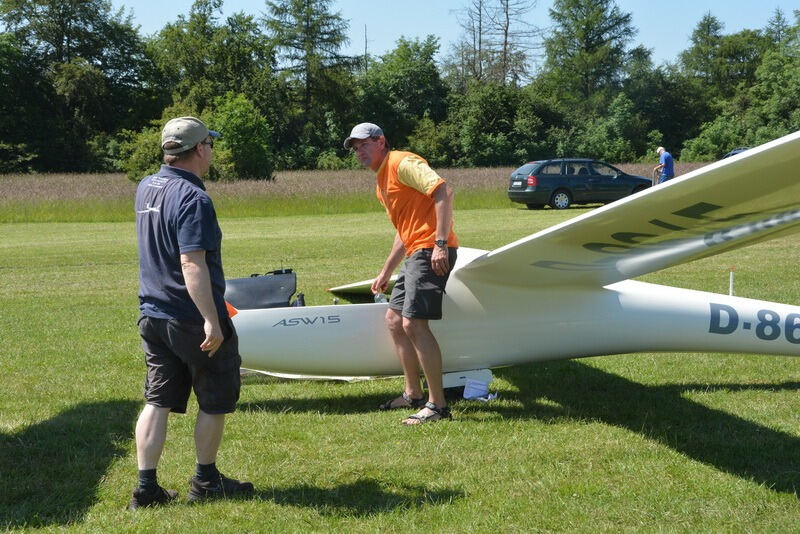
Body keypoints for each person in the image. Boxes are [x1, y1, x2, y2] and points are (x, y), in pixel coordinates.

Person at [130, 116, 253, 509]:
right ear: (200, 149)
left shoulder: (147, 186)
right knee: (215, 398)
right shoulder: (194, 198)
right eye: (210, 145)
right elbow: (191, 263)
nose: (212, 151)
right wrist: (212, 320)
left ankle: (146, 490)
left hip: (153, 313)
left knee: (157, 400)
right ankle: (206, 480)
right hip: (188, 316)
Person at [344, 122, 458, 425]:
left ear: (381, 141)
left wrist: (441, 244)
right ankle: (413, 394)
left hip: (430, 251)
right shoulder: (381, 182)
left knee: (414, 324)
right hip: (415, 252)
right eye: (355, 148)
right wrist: (385, 271)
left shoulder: (403, 163)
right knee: (394, 321)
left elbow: (443, 191)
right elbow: (403, 230)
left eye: (364, 145)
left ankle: (438, 405)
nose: (359, 152)